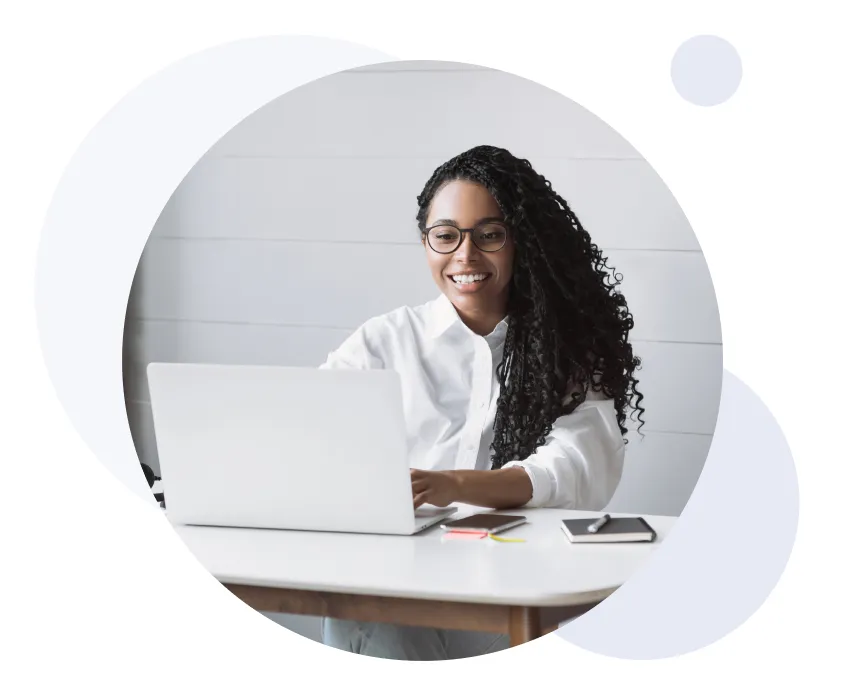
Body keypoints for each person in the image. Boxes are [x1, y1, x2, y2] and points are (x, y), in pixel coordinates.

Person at [319, 145, 644, 660]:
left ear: (522, 243)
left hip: (513, 591)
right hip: (398, 578)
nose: (465, 256)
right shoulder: (384, 342)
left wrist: (452, 485)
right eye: (445, 236)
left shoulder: (563, 352)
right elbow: (311, 434)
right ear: (426, 242)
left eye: (489, 235)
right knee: (371, 618)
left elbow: (577, 467)